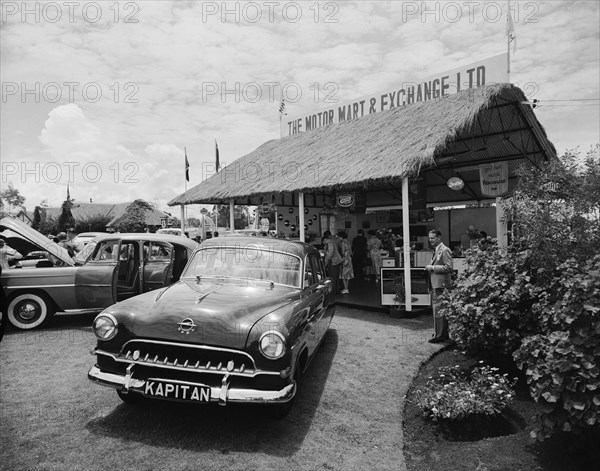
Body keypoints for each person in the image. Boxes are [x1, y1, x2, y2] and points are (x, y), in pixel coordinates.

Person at [425, 229, 453, 343]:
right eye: (430, 238)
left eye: (432, 238)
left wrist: (432, 268)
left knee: (439, 310)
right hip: (436, 284)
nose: (430, 240)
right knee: (438, 310)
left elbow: (449, 267)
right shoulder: (436, 250)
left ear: (439, 238)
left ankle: (440, 335)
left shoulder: (445, 250)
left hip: (441, 285)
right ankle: (441, 333)